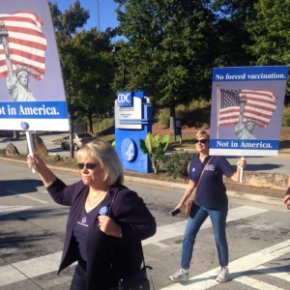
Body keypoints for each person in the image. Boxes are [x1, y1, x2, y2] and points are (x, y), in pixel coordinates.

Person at [27, 140, 156, 290]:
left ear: (106, 166)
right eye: (81, 165)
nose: (84, 170)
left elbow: (149, 226)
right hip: (84, 270)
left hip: (111, 276)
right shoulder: (81, 190)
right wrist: (41, 168)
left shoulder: (122, 198)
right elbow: (60, 194)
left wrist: (119, 230)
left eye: (90, 165)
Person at [169, 130, 246, 284]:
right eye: (197, 141)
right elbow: (191, 184)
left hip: (217, 207)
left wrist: (240, 167)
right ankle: (184, 271)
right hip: (198, 205)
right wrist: (181, 202)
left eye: (203, 141)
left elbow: (236, 178)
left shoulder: (218, 160)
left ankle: (224, 269)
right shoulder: (194, 162)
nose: (200, 144)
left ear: (209, 143)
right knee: (188, 237)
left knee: (219, 238)